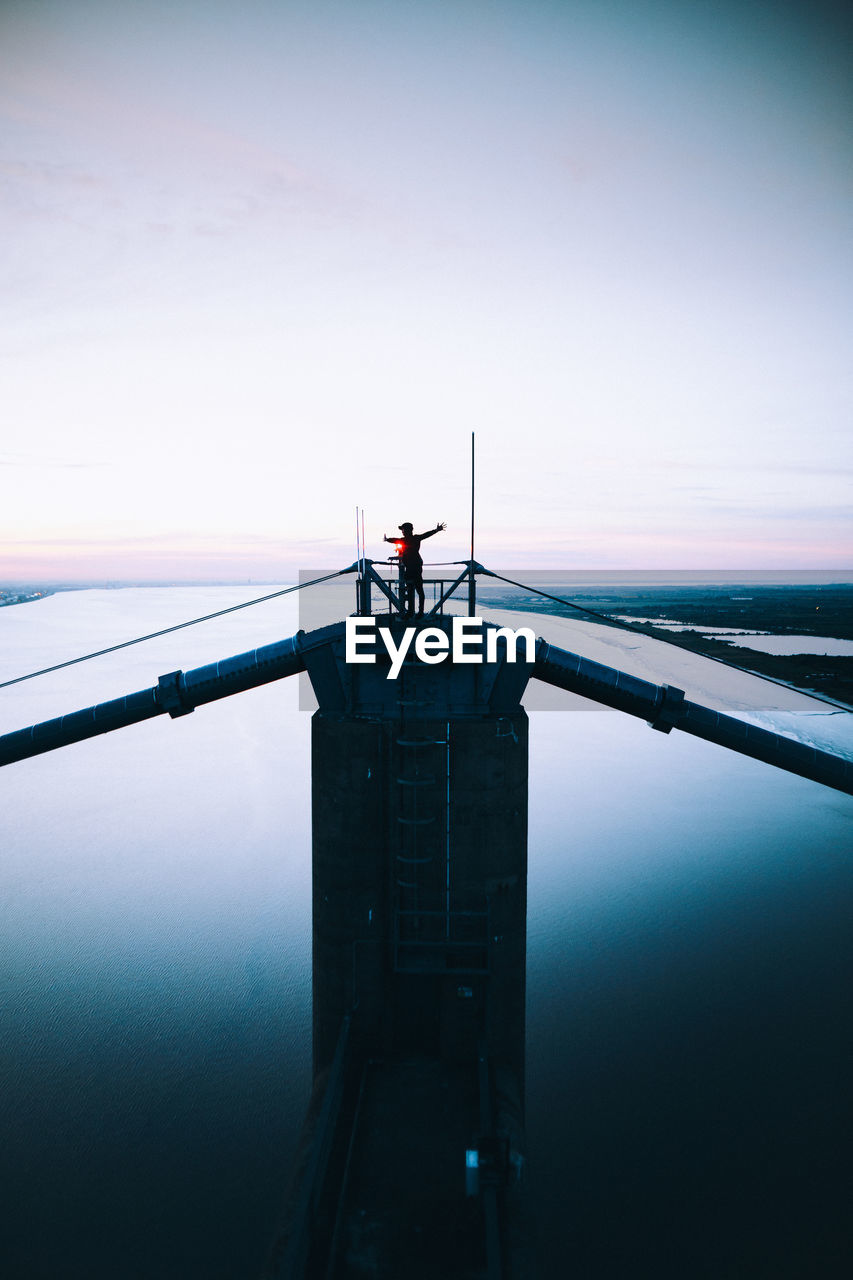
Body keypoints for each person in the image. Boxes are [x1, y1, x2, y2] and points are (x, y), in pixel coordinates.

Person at [383, 521, 446, 617]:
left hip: (413, 569)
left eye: (403, 530)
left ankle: (412, 612)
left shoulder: (405, 540)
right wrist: (436, 530)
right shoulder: (415, 538)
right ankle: (417, 612)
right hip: (414, 568)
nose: (402, 532)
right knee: (417, 590)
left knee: (413, 590)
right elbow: (426, 535)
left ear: (408, 530)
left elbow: (395, 540)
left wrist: (387, 539)